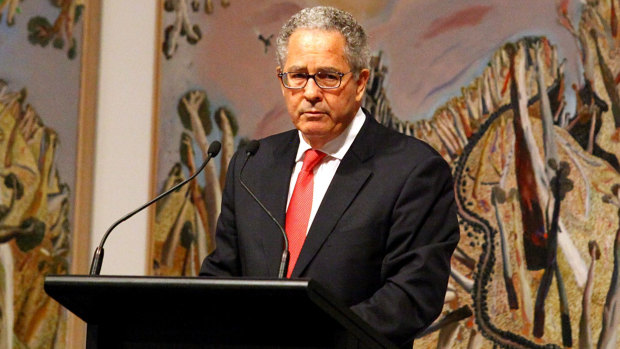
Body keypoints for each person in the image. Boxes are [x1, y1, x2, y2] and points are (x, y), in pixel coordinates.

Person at [200, 6, 459, 347]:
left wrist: (315, 338)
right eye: (297, 76)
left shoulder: (413, 170)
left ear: (360, 82)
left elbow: (411, 296)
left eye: (327, 76)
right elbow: (222, 276)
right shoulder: (252, 165)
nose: (310, 92)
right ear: (282, 80)